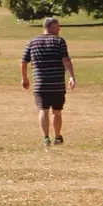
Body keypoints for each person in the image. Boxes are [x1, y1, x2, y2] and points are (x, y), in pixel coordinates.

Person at [21, 16, 76, 146]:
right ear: (50, 27)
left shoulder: (32, 41)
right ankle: (57, 137)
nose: (59, 29)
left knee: (43, 109)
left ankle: (45, 137)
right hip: (56, 83)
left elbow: (23, 61)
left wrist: (24, 77)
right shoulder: (59, 41)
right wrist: (71, 76)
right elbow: (66, 60)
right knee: (57, 111)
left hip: (40, 83)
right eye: (57, 26)